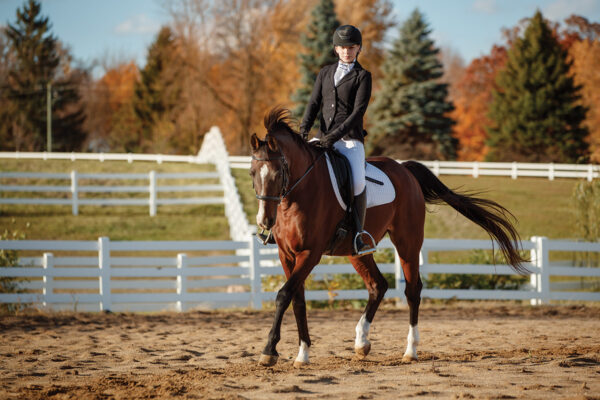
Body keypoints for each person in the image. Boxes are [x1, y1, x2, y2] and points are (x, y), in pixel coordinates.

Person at [299, 24, 375, 255]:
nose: (347, 51)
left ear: (358, 48)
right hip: (322, 138)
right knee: (296, 168)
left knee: (358, 182)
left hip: (350, 140)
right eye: (342, 47)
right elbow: (313, 104)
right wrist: (302, 133)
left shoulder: (363, 76)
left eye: (351, 47)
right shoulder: (325, 73)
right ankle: (278, 226)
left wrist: (334, 136)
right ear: (336, 49)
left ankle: (359, 234)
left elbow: (357, 113)